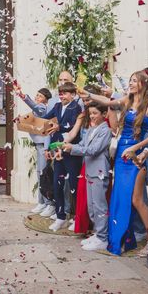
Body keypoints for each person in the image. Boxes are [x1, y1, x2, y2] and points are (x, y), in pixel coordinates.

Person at [106, 71, 148, 256]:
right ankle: (123, 238)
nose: (131, 83)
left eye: (134, 81)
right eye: (130, 80)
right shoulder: (127, 101)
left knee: (137, 199)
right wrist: (88, 95)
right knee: (120, 195)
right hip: (122, 153)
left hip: (138, 155)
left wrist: (136, 147)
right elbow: (109, 104)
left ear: (143, 84)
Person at [62, 101, 112, 251]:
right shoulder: (91, 129)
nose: (92, 116)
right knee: (91, 206)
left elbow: (93, 149)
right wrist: (67, 147)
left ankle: (103, 237)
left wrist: (72, 148)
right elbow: (83, 145)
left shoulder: (106, 131)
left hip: (99, 171)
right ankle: (97, 233)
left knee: (99, 206)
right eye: (91, 114)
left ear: (104, 114)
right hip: (89, 170)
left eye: (95, 113)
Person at [42, 82, 83, 231]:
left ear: (73, 94)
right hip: (57, 149)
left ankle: (77, 217)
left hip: (71, 151)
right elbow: (46, 118)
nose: (62, 95)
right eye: (60, 93)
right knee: (57, 183)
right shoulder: (58, 106)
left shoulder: (77, 108)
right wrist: (29, 120)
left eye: (65, 93)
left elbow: (73, 128)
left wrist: (59, 126)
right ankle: (60, 217)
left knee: (74, 185)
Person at [14, 85, 55, 216]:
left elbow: (35, 107)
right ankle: (42, 202)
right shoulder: (37, 111)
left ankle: (49, 204)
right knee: (39, 174)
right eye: (36, 95)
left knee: (43, 175)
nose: (37, 97)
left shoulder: (43, 109)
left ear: (46, 100)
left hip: (44, 146)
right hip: (38, 146)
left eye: (40, 96)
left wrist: (23, 96)